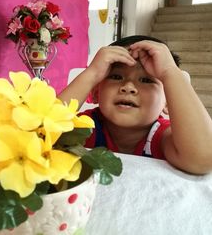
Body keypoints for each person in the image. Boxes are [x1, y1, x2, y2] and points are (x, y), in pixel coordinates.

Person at [58, 35, 212, 174]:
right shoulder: (84, 127)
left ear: (167, 102)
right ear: (96, 93)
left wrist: (169, 71)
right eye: (116, 76)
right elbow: (38, 136)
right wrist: (92, 73)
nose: (128, 87)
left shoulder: (161, 136)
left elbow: (202, 159)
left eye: (146, 80)